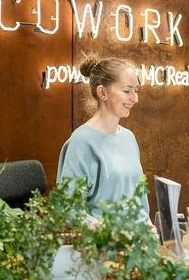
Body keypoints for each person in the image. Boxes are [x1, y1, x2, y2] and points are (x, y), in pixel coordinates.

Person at [56, 54, 150, 223]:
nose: (135, 98)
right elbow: (69, 211)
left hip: (135, 243)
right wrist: (112, 235)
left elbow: (140, 201)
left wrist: (149, 229)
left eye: (136, 91)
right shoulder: (81, 141)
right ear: (102, 92)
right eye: (127, 91)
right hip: (100, 244)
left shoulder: (129, 138)